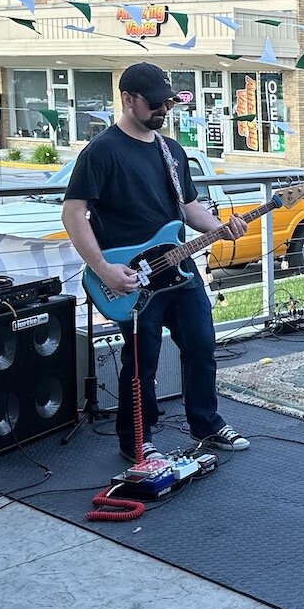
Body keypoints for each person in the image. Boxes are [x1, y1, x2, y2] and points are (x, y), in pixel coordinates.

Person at [62, 62, 251, 463]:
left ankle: (207, 422)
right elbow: (73, 213)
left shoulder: (172, 151)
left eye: (168, 103)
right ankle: (135, 438)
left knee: (202, 346)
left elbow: (187, 207)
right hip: (130, 277)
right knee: (140, 361)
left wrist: (221, 226)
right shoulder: (101, 151)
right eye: (155, 104)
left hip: (179, 271)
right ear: (127, 99)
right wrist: (103, 269)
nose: (163, 111)